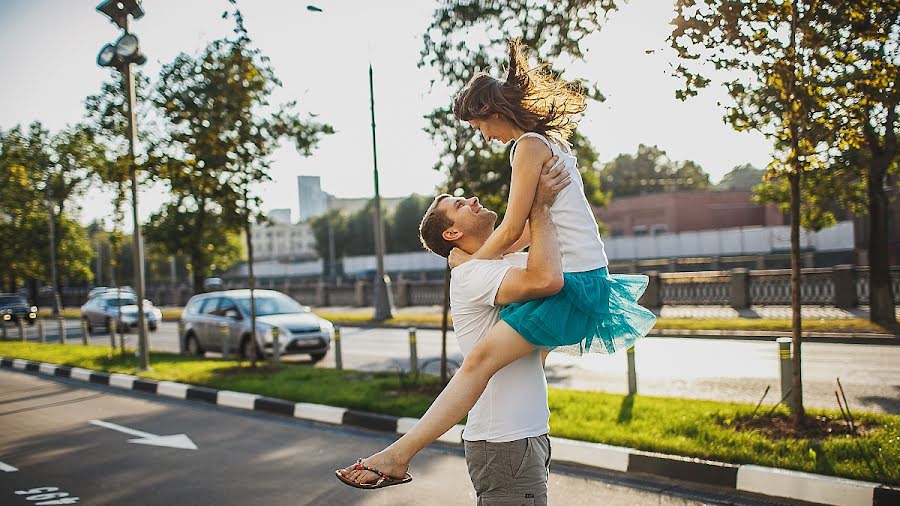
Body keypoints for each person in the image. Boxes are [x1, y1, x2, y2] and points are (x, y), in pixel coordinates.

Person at [336, 38, 656, 490]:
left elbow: (509, 231)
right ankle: (398, 455)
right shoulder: (550, 143)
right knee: (485, 364)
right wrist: (487, 256)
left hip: (574, 283)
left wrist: (468, 268)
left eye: (480, 125)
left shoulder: (525, 147)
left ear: (493, 111)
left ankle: (397, 455)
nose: (484, 135)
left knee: (476, 363)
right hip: (587, 281)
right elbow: (525, 231)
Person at [336, 156, 568, 498]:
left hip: (525, 434)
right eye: (461, 204)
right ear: (452, 233)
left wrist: (542, 201)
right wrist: (540, 204)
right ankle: (396, 455)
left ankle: (398, 456)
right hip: (505, 439)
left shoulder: (493, 266)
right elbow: (547, 275)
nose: (473, 199)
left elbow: (526, 234)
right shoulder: (474, 276)